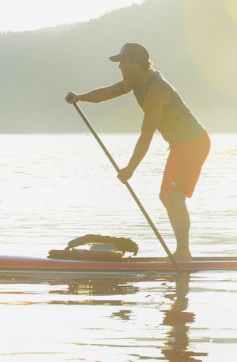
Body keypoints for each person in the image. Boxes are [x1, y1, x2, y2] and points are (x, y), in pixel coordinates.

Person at [65, 43, 210, 262]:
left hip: (193, 143)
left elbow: (146, 135)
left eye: (123, 63)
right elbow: (106, 93)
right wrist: (80, 97)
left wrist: (130, 169)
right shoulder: (135, 82)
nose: (120, 67)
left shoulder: (156, 92)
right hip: (179, 144)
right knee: (166, 197)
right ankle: (184, 252)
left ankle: (182, 254)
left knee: (175, 198)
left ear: (136, 64)